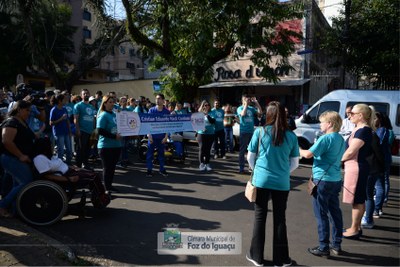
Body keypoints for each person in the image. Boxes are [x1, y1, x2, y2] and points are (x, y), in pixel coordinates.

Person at [246, 101, 299, 267]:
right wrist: (283, 172)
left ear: (268, 115)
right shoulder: (291, 136)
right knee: (280, 219)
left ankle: (257, 257)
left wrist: (259, 171)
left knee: (260, 218)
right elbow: (295, 163)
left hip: (261, 180)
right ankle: (281, 260)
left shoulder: (260, 132)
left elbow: (250, 157)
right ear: (284, 115)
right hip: (282, 182)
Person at [299, 111, 345, 257]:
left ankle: (323, 246)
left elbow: (307, 155)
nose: (320, 124)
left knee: (321, 214)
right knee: (335, 212)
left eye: (322, 122)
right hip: (335, 179)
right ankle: (336, 244)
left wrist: (298, 149)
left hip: (322, 180)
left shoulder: (325, 139)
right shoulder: (340, 138)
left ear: (330, 123)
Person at [32, 137, 110, 208]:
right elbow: (48, 176)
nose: (52, 147)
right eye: (50, 145)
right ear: (45, 147)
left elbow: (59, 164)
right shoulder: (39, 158)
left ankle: (98, 198)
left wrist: (72, 167)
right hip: (66, 177)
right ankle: (101, 198)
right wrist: (68, 179)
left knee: (93, 174)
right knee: (94, 177)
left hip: (70, 171)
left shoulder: (48, 156)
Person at [341, 103, 374, 239]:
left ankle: (354, 229)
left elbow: (350, 151)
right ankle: (356, 227)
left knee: (357, 199)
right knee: (358, 199)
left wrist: (337, 161)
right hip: (355, 167)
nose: (349, 115)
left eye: (352, 113)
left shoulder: (363, 130)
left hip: (357, 168)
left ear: (361, 115)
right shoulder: (360, 129)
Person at [0, 100, 36, 218]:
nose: (29, 113)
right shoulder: (11, 122)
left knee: (17, 185)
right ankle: (2, 206)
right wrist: (21, 155)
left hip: (17, 158)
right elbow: (6, 141)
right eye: (27, 110)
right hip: (11, 158)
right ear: (19, 110)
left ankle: (15, 211)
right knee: (26, 182)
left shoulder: (22, 122)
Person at [361, 109, 385, 229]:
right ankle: (367, 218)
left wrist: (382, 167)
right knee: (368, 195)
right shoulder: (370, 133)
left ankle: (368, 219)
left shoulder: (370, 134)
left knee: (368, 195)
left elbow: (378, 152)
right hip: (371, 167)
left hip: (371, 168)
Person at [96, 95, 122, 192]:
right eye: (110, 102)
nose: (112, 104)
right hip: (106, 146)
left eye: (113, 102)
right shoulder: (103, 115)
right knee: (107, 168)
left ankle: (110, 186)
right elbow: (99, 130)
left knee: (112, 168)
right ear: (105, 103)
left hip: (117, 145)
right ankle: (106, 189)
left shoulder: (115, 114)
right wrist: (114, 136)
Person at [146, 94, 170, 177]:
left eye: (159, 98)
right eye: (156, 98)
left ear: (163, 100)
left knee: (161, 155)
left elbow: (168, 125)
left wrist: (166, 137)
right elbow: (147, 124)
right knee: (150, 154)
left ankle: (162, 169)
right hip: (152, 137)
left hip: (162, 137)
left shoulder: (166, 112)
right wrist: (149, 135)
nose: (157, 100)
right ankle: (149, 170)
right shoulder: (151, 110)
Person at [237, 94, 262, 174]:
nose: (248, 101)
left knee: (253, 150)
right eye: (246, 99)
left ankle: (251, 167)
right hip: (244, 132)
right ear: (242, 100)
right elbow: (243, 114)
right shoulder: (239, 108)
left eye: (248, 100)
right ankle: (241, 168)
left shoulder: (251, 109)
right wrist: (246, 105)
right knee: (242, 151)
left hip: (251, 132)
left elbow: (260, 113)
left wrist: (256, 103)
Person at [73, 89, 96, 170]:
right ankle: (78, 166)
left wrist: (94, 130)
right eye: (84, 93)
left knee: (87, 149)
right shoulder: (78, 105)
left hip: (90, 131)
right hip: (82, 131)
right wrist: (78, 130)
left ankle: (85, 165)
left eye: (87, 93)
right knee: (80, 149)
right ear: (81, 95)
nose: (86, 94)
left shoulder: (91, 107)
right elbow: (75, 119)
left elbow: (93, 119)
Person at [50, 94, 72, 165]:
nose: (66, 100)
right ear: (60, 101)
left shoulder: (64, 109)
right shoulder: (54, 110)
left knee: (69, 150)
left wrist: (70, 131)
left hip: (66, 132)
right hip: (59, 133)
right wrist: (61, 119)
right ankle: (60, 165)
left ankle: (69, 164)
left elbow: (67, 120)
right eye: (64, 99)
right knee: (61, 151)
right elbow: (51, 123)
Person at [197, 100, 216, 171]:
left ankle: (207, 163)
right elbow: (196, 124)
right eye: (205, 105)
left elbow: (213, 121)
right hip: (201, 134)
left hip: (210, 133)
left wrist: (207, 115)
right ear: (203, 106)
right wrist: (201, 128)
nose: (207, 106)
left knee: (208, 150)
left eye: (208, 105)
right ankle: (201, 163)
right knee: (202, 148)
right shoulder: (199, 114)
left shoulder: (212, 113)